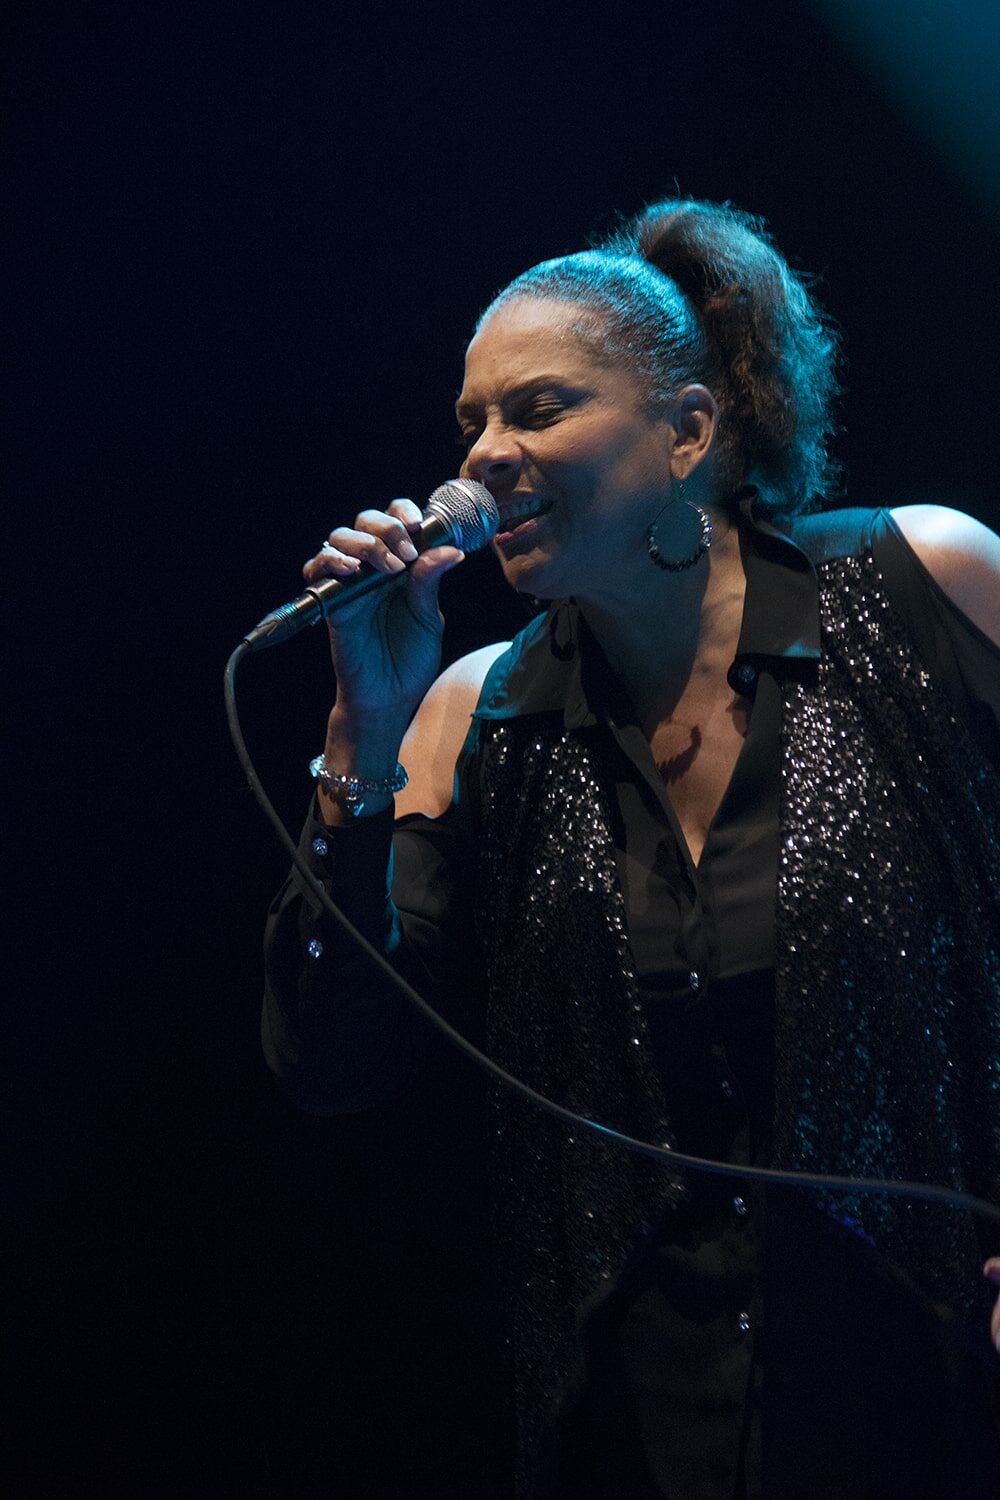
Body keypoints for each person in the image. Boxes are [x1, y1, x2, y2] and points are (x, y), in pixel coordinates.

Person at [262, 197, 1000, 1497]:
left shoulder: (923, 582)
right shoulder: (475, 717)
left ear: (688, 432)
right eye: (471, 422)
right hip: (644, 1429)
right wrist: (360, 737)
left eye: (537, 411)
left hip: (933, 1386)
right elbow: (331, 1064)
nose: (483, 456)